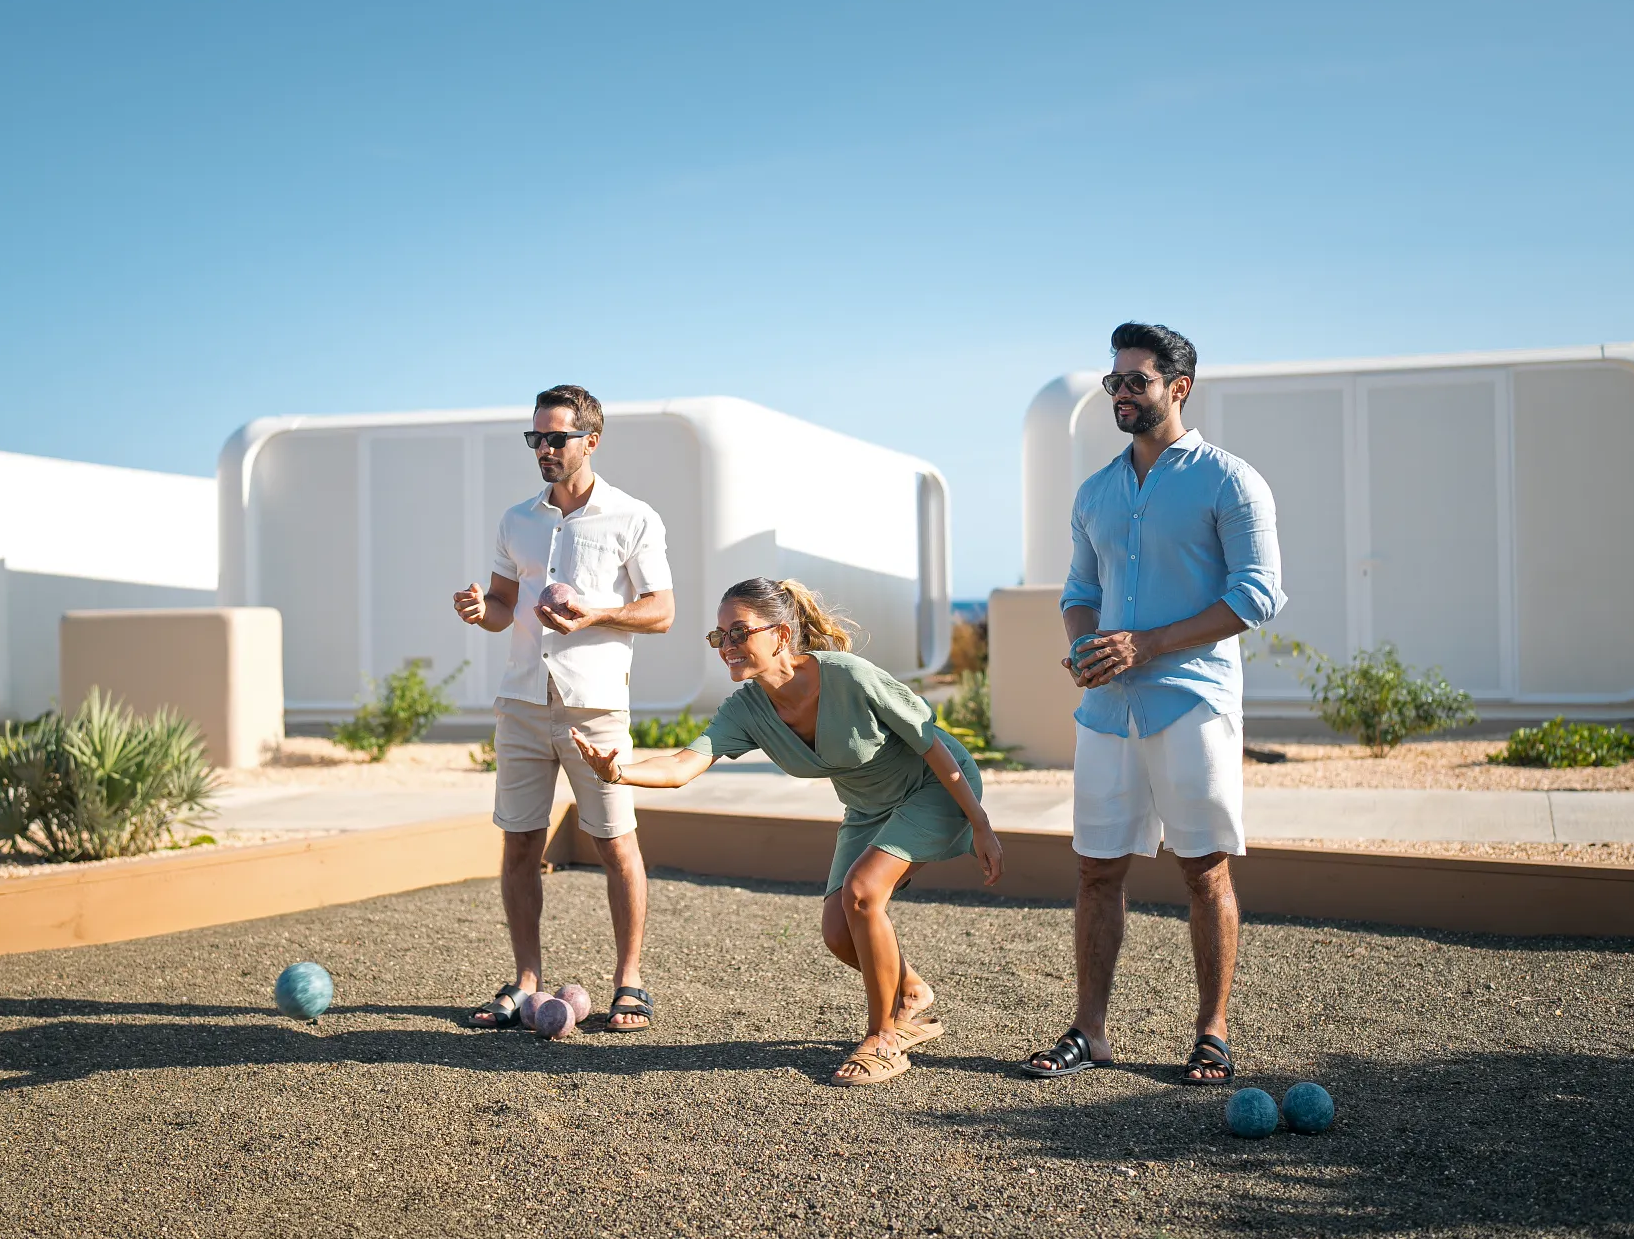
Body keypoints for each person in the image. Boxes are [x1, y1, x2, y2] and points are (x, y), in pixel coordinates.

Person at [571, 577, 1003, 1086]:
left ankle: (884, 1038)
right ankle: (909, 992)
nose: (727, 646)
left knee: (863, 894)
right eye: (719, 637)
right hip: (868, 808)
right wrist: (618, 771)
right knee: (839, 933)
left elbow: (930, 741)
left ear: (779, 634)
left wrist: (981, 824)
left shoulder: (847, 676)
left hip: (934, 785)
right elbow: (685, 764)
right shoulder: (746, 710)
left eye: (739, 632)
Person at [1024, 322, 1285, 1086]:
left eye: (1136, 380)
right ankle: (1090, 1032)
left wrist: (1147, 644)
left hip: (1193, 703)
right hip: (1107, 712)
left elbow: (1257, 595)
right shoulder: (1094, 493)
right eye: (1115, 381)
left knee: (1203, 870)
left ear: (1179, 387)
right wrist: (1086, 647)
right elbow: (1079, 593)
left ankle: (1212, 1033)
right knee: (1095, 871)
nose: (1121, 393)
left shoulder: (1231, 481)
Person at [452, 384, 675, 1034]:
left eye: (555, 438)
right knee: (520, 842)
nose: (543, 449)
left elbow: (662, 611)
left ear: (590, 441)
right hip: (522, 701)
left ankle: (629, 981)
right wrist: (480, 610)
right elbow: (502, 608)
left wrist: (594, 614)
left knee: (615, 842)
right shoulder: (516, 520)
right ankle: (526, 981)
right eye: (536, 438)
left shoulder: (633, 517)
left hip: (594, 707)